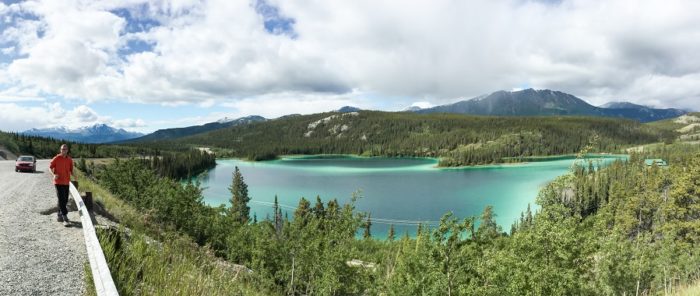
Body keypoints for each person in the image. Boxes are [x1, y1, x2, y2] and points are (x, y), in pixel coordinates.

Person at [50, 144, 74, 227]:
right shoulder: (56, 158)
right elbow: (50, 167)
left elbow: (71, 170)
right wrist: (53, 174)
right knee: (61, 199)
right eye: (62, 149)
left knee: (65, 200)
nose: (64, 150)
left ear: (67, 150)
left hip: (66, 182)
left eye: (65, 149)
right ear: (60, 150)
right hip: (58, 182)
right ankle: (65, 218)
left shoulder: (70, 160)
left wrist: (74, 175)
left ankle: (59, 215)